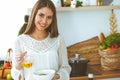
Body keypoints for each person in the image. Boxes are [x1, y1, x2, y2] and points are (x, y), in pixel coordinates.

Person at [11, 0, 71, 80]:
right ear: (34, 14)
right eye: (41, 15)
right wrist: (18, 65)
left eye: (49, 17)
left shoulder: (58, 39)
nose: (44, 21)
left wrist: (58, 76)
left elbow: (65, 67)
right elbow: (17, 76)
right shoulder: (19, 41)